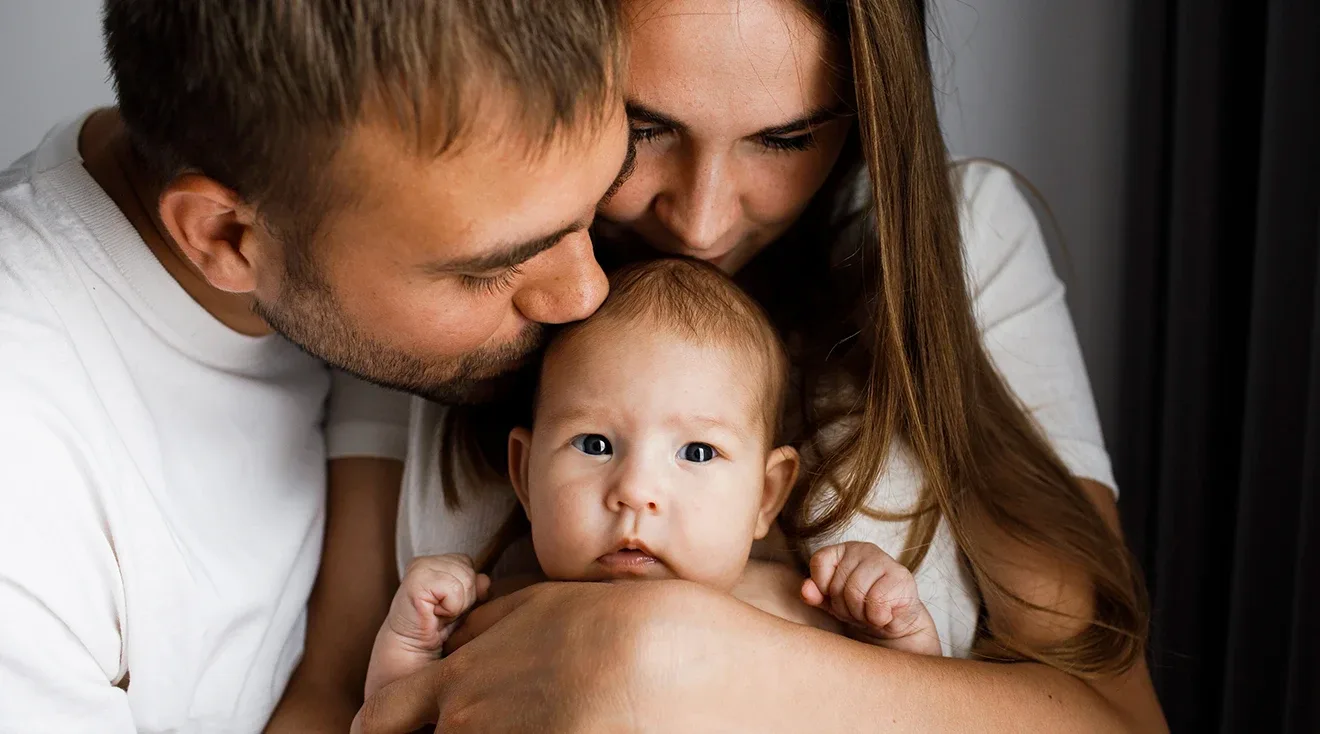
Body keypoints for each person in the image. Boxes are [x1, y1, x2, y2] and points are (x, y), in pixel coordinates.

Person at [339, 0, 1169, 731]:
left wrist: (658, 656)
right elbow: (335, 697)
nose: (701, 224)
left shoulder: (964, 244)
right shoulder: (439, 252)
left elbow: (1117, 719)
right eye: (645, 127)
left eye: (785, 138)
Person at [0, 1, 633, 730]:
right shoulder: (30, 479)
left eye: (600, 199)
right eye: (493, 267)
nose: (586, 294)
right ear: (229, 238)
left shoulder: (320, 216)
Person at [365, 259, 942, 697]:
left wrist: (893, 629)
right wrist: (411, 644)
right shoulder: (498, 618)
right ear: (525, 474)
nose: (636, 491)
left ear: (766, 494)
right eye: (594, 444)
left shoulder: (803, 608)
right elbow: (397, 716)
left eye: (696, 451)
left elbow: (915, 707)